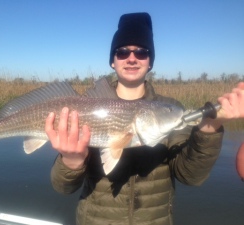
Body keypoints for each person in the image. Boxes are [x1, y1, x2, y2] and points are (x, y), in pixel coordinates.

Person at [45, 12, 244, 225]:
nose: (132, 58)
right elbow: (63, 187)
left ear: (150, 62)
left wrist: (210, 126)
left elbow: (191, 176)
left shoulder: (171, 109)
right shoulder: (84, 107)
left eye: (141, 52)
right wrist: (72, 161)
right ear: (112, 61)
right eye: (122, 52)